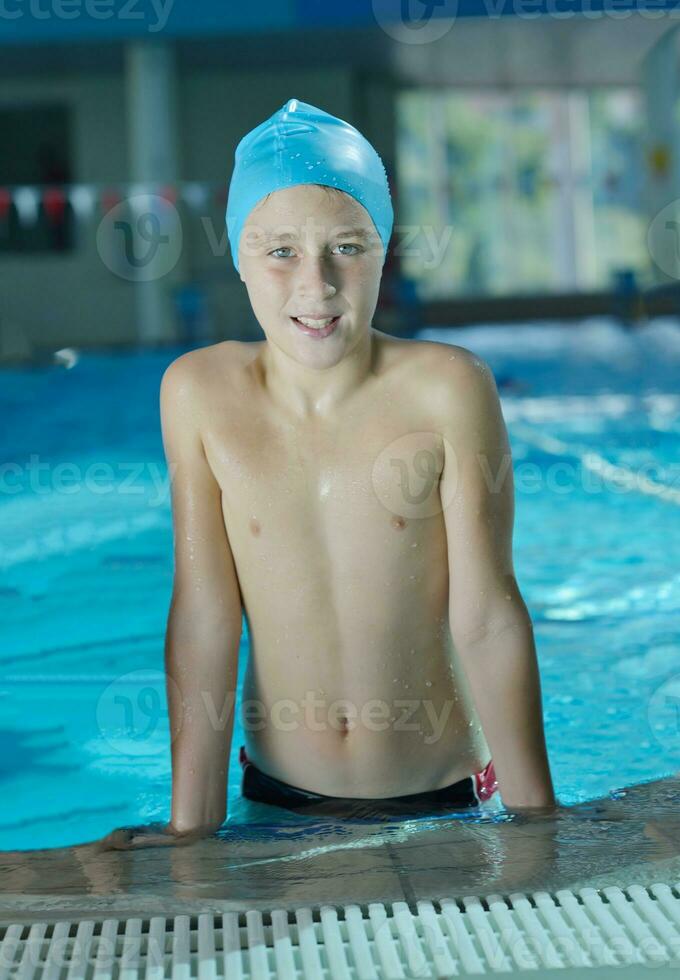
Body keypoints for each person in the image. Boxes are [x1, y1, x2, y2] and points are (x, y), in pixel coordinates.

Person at [98, 98, 556, 850]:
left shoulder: (447, 387)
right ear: (240, 257)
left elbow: (487, 612)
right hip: (275, 803)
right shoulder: (200, 393)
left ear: (385, 251)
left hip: (447, 798)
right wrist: (191, 832)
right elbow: (206, 618)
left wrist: (538, 821)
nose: (316, 284)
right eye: (279, 252)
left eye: (347, 247)